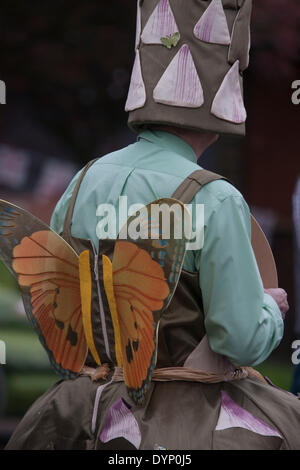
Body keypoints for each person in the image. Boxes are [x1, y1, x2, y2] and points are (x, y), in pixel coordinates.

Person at [6, 0, 300, 450]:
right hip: (185, 424)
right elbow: (238, 339)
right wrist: (268, 311)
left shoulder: (83, 181)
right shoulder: (215, 198)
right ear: (222, 105)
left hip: (77, 413)